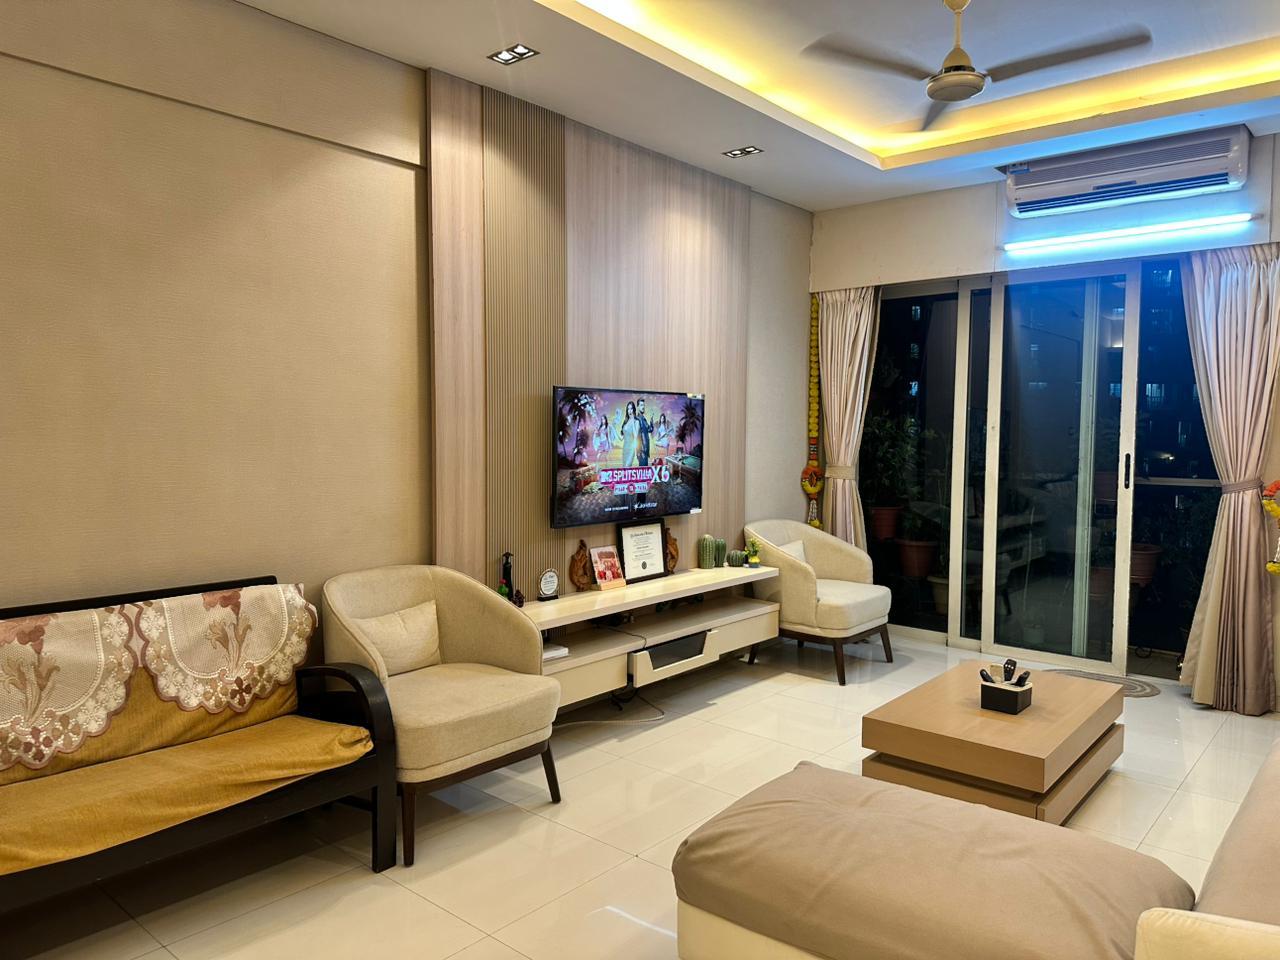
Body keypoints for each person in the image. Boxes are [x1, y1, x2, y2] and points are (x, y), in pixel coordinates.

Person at [620, 401, 640, 467]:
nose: (630, 411)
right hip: (625, 448)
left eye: (631, 409)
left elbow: (635, 436)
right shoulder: (626, 422)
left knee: (627, 466)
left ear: (634, 410)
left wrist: (632, 420)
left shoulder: (636, 421)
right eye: (628, 409)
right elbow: (621, 438)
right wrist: (613, 430)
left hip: (631, 449)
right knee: (624, 467)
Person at [636, 398, 653, 467]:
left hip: (646, 451)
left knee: (645, 469)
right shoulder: (637, 419)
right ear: (638, 407)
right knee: (642, 470)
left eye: (644, 405)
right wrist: (639, 452)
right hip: (642, 451)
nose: (643, 407)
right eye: (641, 405)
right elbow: (636, 436)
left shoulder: (644, 419)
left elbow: (650, 429)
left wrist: (651, 419)